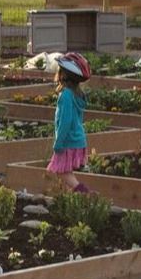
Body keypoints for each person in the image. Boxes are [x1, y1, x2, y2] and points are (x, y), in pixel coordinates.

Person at [46, 50, 91, 184]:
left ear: (63, 74)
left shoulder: (65, 95)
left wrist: (58, 143)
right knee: (65, 172)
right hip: (78, 140)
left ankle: (85, 195)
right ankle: (73, 198)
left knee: (62, 172)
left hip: (68, 142)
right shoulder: (77, 95)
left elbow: (65, 122)